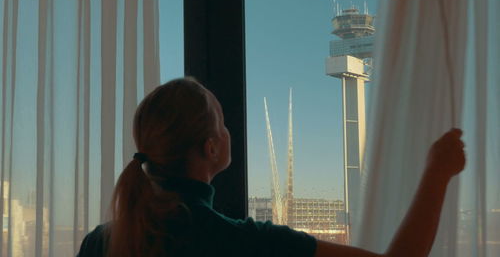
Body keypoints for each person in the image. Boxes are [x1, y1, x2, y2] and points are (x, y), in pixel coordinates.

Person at [77, 77, 466, 257]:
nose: (230, 132)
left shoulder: (99, 242)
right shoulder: (246, 242)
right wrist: (437, 171)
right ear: (211, 148)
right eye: (223, 122)